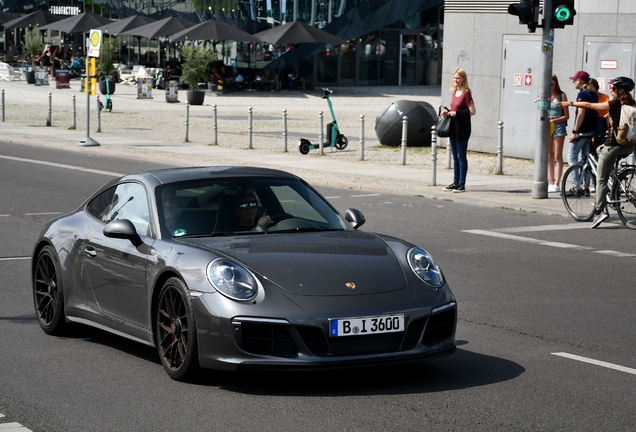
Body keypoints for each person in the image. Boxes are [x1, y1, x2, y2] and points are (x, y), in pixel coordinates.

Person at [560, 76, 636, 228]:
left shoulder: (614, 104)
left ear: (620, 90)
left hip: (613, 145)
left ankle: (599, 212)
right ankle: (615, 184)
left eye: (613, 88)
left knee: (601, 179)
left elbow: (589, 105)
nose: (611, 91)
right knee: (601, 151)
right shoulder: (631, 104)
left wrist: (570, 103)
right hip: (628, 146)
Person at [442, 68, 476, 193]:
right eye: (454, 78)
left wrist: (456, 113)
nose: (455, 80)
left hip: (463, 128)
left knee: (461, 156)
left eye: (458, 78)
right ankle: (455, 182)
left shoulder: (466, 93)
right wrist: (448, 112)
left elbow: (472, 111)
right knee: (455, 157)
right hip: (453, 127)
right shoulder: (454, 91)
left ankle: (462, 184)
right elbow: (454, 108)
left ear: (463, 79)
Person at [565, 70, 598, 195]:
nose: (573, 82)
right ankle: (585, 187)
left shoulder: (582, 95)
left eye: (575, 80)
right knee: (585, 160)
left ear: (580, 81)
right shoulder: (593, 94)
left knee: (572, 158)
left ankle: (576, 187)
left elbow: (581, 114)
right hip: (590, 132)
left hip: (581, 132)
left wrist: (574, 131)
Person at [548, 74, 569, 193]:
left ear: (556, 84)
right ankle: (551, 182)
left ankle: (557, 183)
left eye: (553, 84)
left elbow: (567, 116)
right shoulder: (546, 96)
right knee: (549, 155)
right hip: (548, 124)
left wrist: (555, 120)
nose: (551, 86)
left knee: (557, 155)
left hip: (558, 125)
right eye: (549, 84)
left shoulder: (562, 95)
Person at [589, 78, 610, 157]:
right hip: (592, 122)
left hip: (602, 123)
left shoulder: (604, 97)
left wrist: (605, 116)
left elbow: (609, 109)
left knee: (599, 144)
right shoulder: (589, 97)